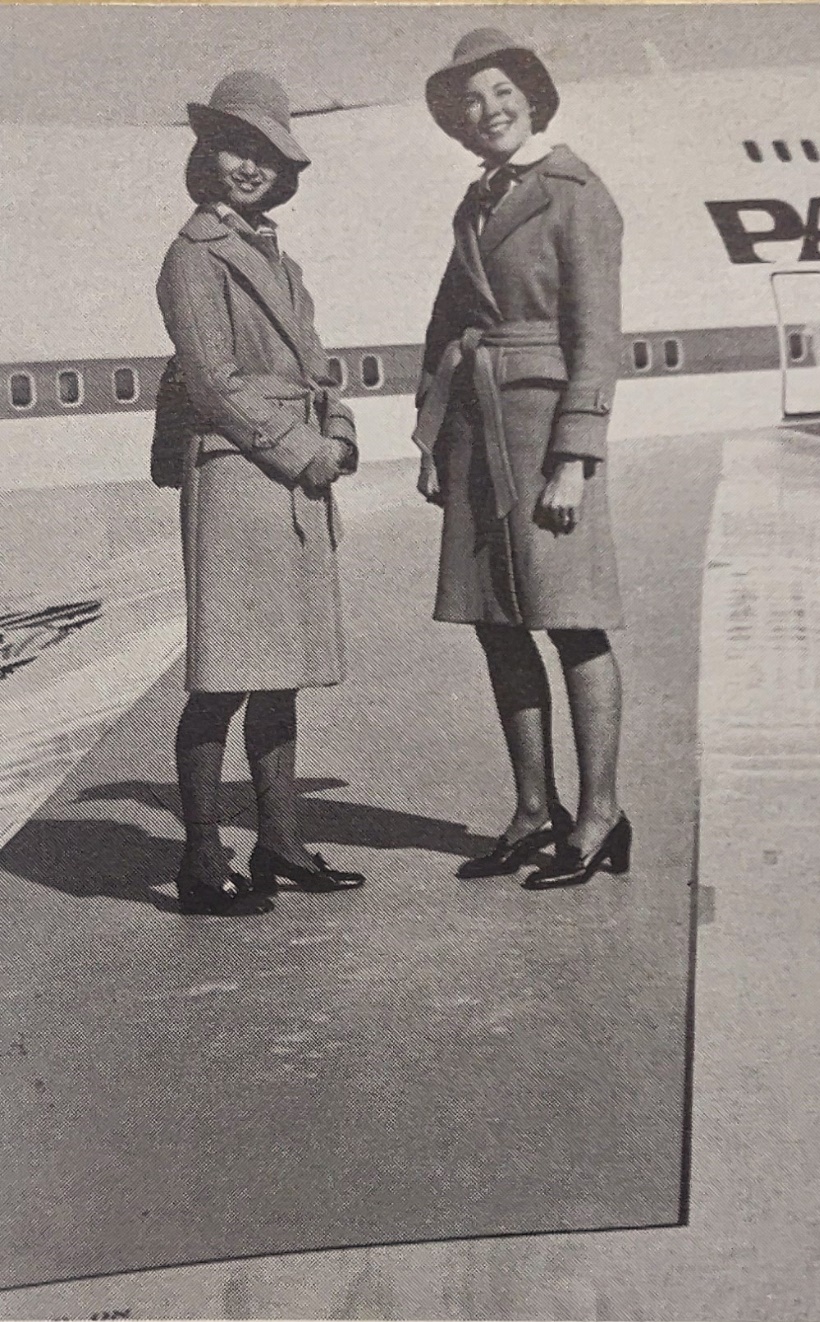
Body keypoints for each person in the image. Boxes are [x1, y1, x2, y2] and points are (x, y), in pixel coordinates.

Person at [415, 28, 630, 890]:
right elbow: (444, 328)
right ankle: (533, 810)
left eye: (502, 93)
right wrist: (431, 440)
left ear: (531, 97)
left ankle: (601, 813)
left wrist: (575, 456)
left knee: (575, 624)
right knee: (499, 627)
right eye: (472, 101)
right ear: (459, 125)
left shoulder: (576, 192)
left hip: (545, 436)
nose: (489, 110)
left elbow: (597, 337)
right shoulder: (476, 204)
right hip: (476, 433)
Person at [155, 71, 366, 915]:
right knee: (223, 680)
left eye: (266, 154)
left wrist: (341, 430)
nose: (249, 166)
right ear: (206, 156)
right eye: (235, 146)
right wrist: (301, 450)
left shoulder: (282, 258)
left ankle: (279, 843)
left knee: (278, 676)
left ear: (285, 172)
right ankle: (202, 861)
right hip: (238, 479)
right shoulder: (192, 255)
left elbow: (315, 365)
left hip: (288, 476)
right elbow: (210, 380)